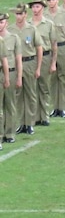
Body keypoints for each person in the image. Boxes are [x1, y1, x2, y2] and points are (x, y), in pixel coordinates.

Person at [9, 2, 42, 137]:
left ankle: (29, 123)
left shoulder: (32, 29)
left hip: (29, 62)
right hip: (16, 65)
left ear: (25, 14)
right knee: (18, 95)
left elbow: (39, 48)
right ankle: (21, 123)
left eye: (20, 14)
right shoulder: (10, 30)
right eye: (16, 14)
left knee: (31, 94)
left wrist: (38, 67)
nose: (18, 17)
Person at [0, 12, 21, 144]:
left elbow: (18, 59)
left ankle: (10, 133)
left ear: (6, 23)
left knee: (10, 104)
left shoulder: (13, 38)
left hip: (11, 73)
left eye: (1, 22)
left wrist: (19, 76)